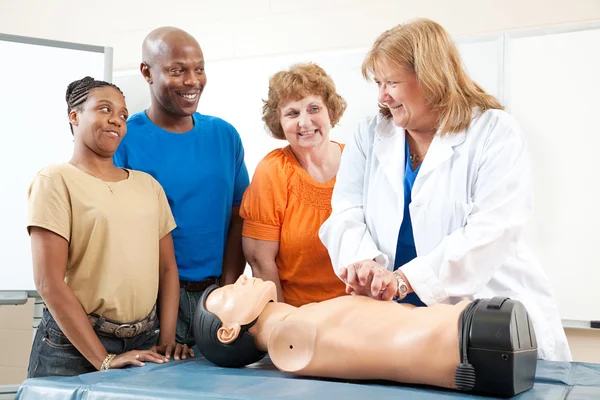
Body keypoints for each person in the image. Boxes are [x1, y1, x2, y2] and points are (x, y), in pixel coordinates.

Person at [317, 18, 571, 361]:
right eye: (378, 83)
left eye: (391, 82)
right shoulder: (370, 135)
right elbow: (346, 211)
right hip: (395, 323)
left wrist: (405, 279)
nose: (382, 96)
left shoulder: (494, 131)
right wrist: (364, 265)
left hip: (485, 319)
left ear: (432, 77)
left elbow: (493, 229)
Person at [27, 77, 192, 378]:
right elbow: (48, 281)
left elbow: (168, 269)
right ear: (74, 116)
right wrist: (103, 359)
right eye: (104, 109)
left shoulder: (148, 185)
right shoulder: (55, 180)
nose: (116, 119)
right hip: (73, 345)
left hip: (145, 341)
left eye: (123, 115)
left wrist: (167, 340)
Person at [114, 27, 250, 346]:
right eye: (178, 70)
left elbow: (239, 219)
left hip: (214, 300)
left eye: (199, 69)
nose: (192, 81)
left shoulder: (224, 136)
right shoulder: (124, 140)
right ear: (147, 72)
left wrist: (225, 294)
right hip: (151, 308)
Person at [193, 276, 538, 397]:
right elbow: (386, 350)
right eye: (227, 294)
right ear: (228, 331)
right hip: (471, 343)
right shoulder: (288, 343)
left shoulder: (297, 324)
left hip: (473, 333)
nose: (239, 280)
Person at [240, 63, 347, 306]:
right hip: (300, 316)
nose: (305, 122)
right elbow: (260, 262)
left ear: (330, 110)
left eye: (313, 108)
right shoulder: (273, 171)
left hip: (361, 310)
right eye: (292, 113)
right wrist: (284, 323)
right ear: (279, 121)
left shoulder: (357, 162)